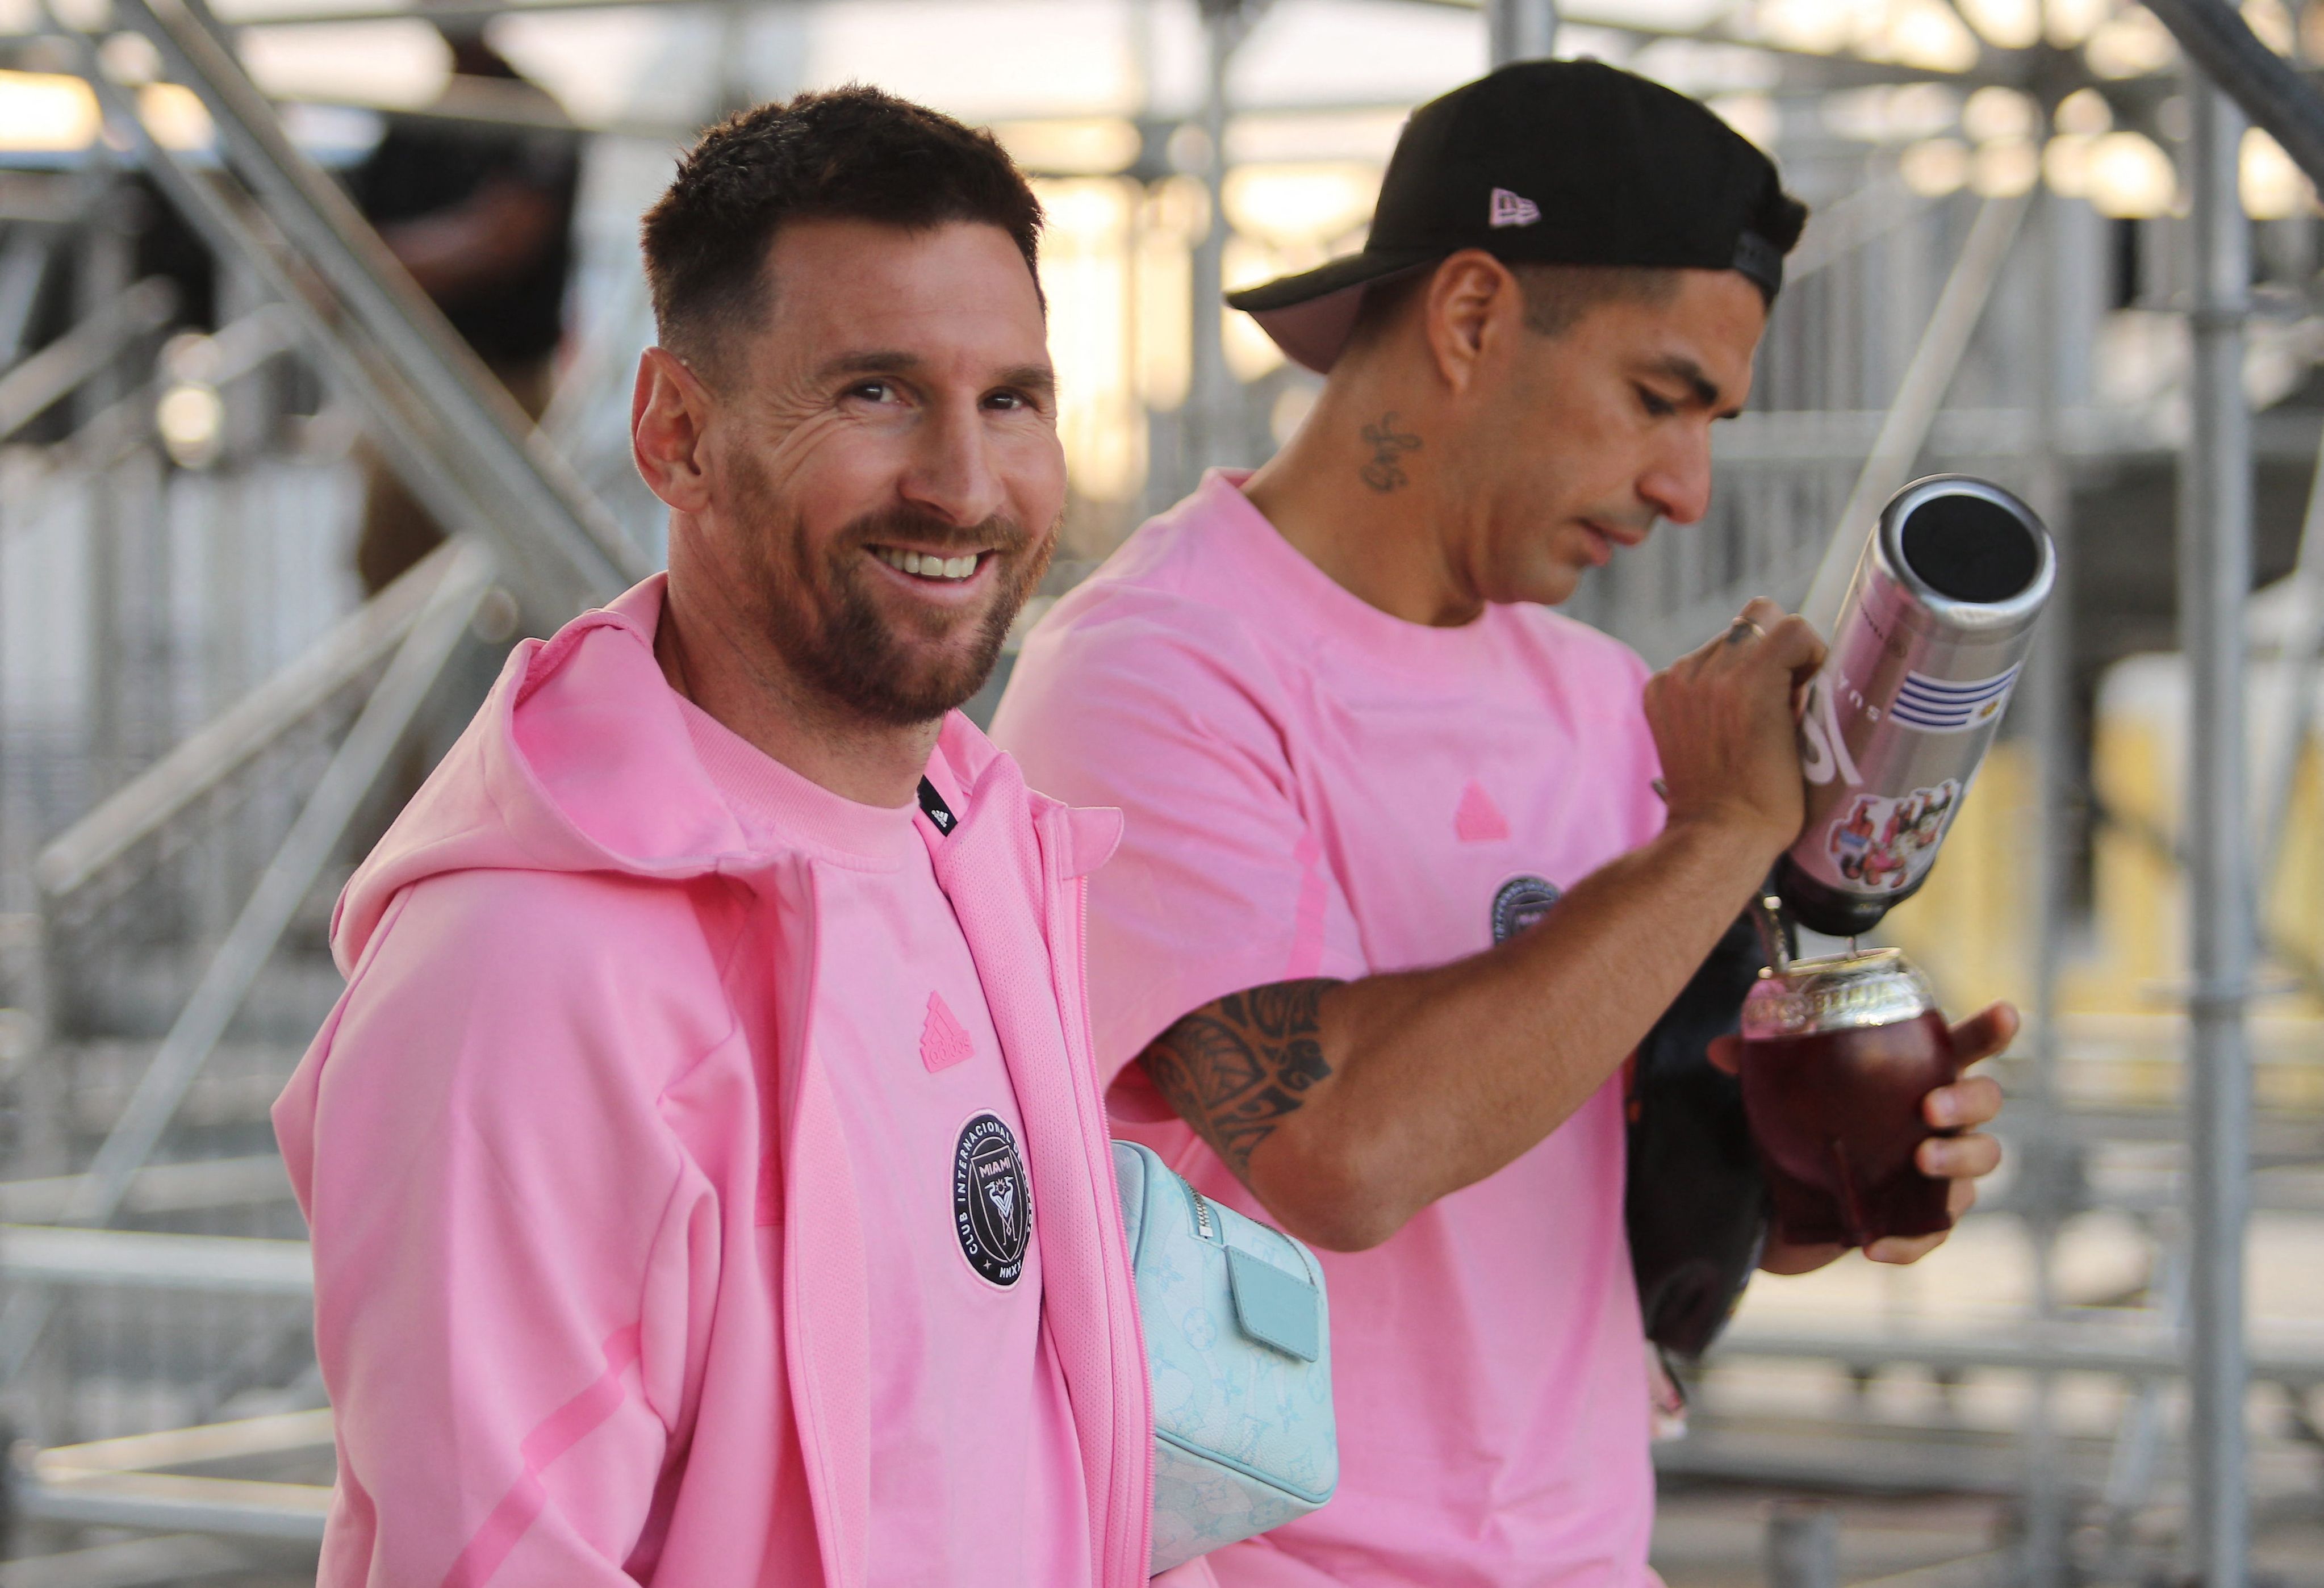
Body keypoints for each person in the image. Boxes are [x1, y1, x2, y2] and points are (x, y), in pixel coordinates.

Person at [993, 60, 2013, 1587]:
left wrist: (1845, 1161)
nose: (1685, 485)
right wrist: (1719, 833)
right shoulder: (1152, 666)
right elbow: (1335, 1155)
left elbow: (1628, 1194)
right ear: (1470, 317)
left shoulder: (1602, 698)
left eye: (1715, 420)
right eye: (1658, 398)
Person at [276, 88, 1176, 1586]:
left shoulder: (976, 839)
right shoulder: (520, 972)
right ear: (675, 434)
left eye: (1010, 399)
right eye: (876, 392)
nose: (965, 483)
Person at [349, 19, 580, 594]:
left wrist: (384, 268)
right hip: (418, 377)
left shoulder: (531, 112)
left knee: (504, 567)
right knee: (397, 561)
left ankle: (499, 681)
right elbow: (359, 232)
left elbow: (508, 235)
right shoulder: (415, 125)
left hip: (505, 381)